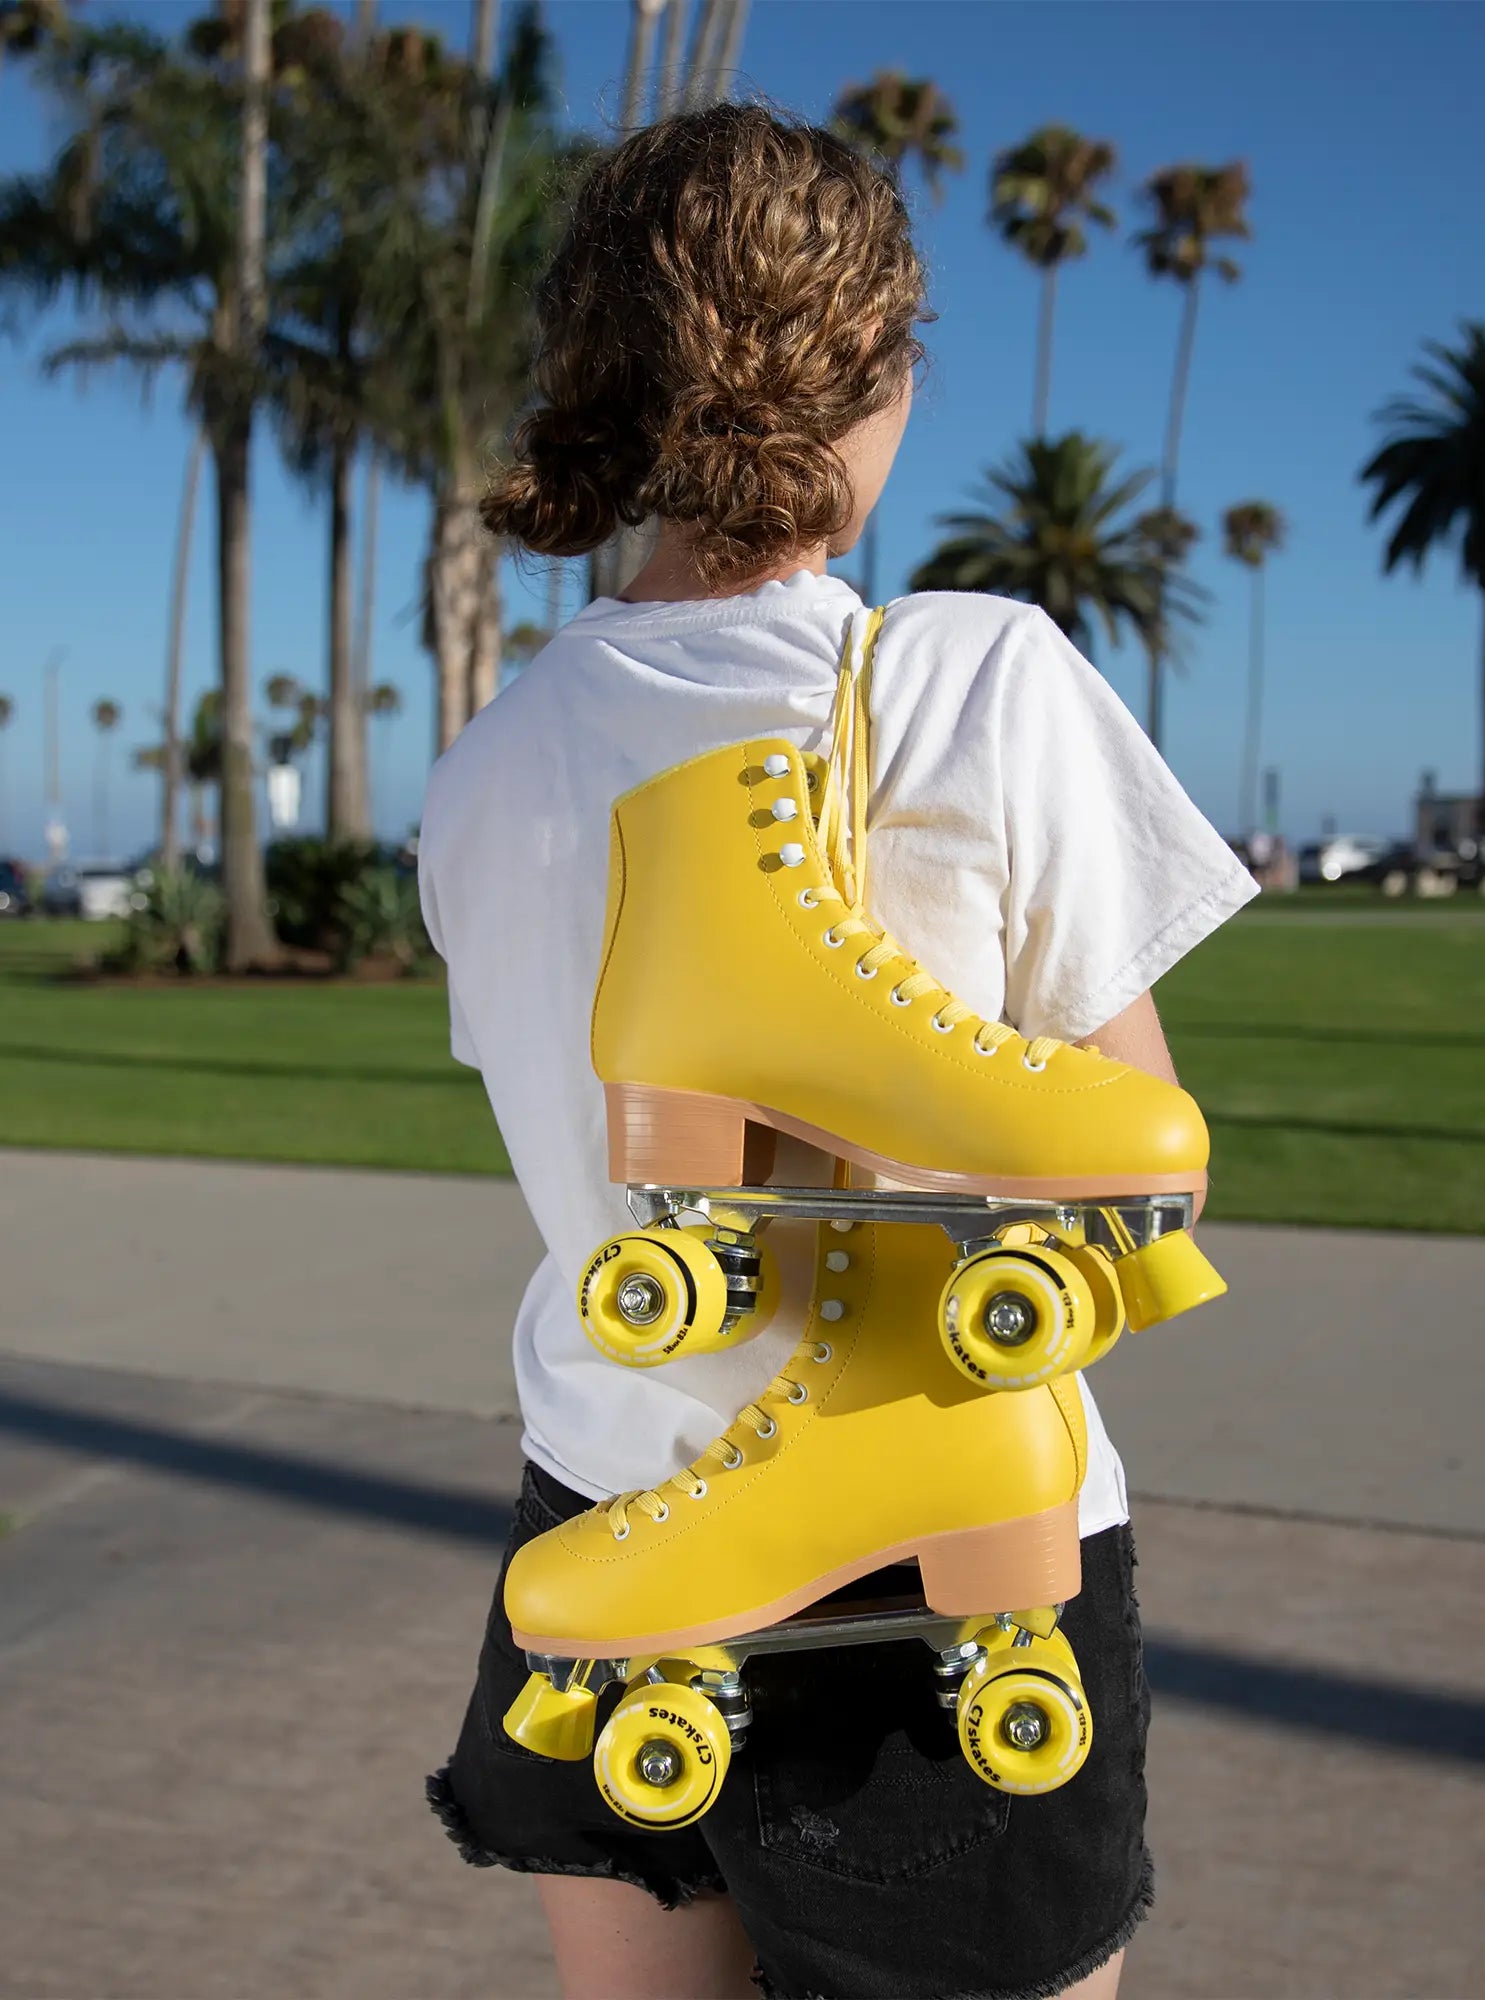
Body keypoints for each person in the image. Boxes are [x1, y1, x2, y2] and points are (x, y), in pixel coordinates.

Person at [418, 103, 1255, 2000]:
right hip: (954, 1544)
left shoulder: (484, 771)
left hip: (609, 1497)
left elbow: (570, 1141)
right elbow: (1135, 1149)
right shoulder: (983, 677)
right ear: (871, 376)